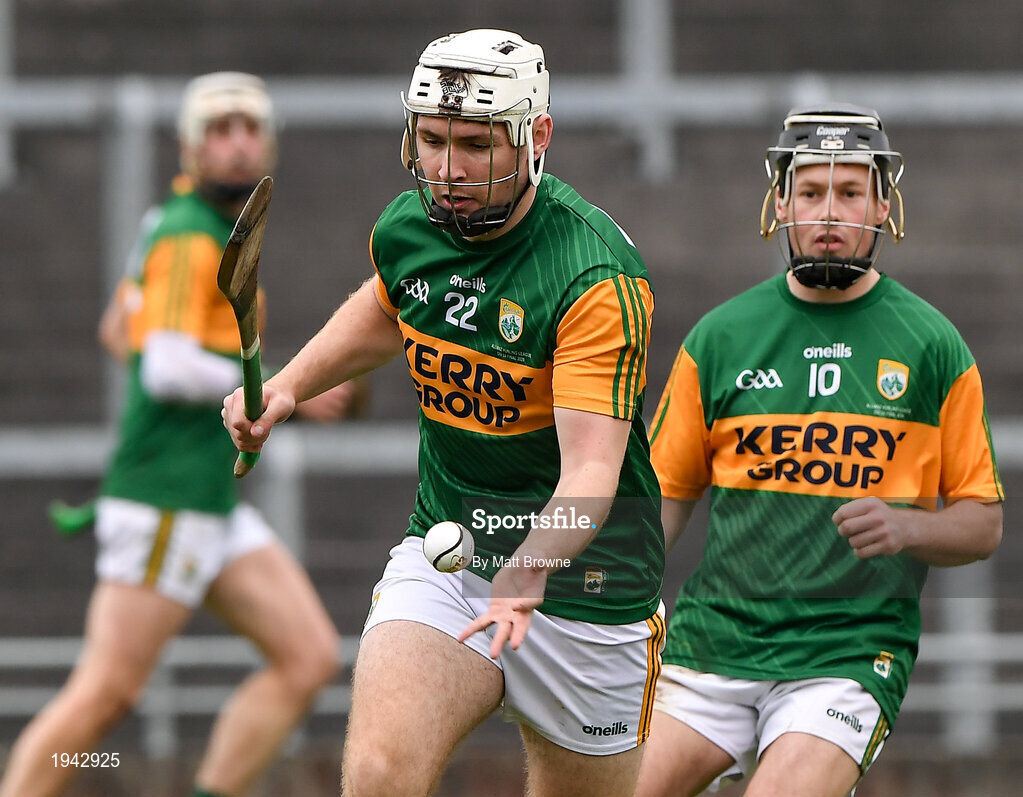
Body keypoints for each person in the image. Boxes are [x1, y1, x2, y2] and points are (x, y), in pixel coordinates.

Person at [223, 29, 665, 797]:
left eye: (475, 144)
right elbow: (389, 307)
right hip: (450, 554)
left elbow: (593, 468)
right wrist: (289, 385)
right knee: (378, 775)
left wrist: (528, 568)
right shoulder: (408, 228)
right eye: (431, 140)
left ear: (538, 137)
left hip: (588, 582)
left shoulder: (594, 275)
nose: (448, 170)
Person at [635, 104, 1004, 797]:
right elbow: (659, 504)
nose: (828, 212)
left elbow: (982, 523)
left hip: (847, 655)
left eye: (847, 191)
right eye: (810, 191)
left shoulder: (932, 346)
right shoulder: (720, 338)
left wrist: (908, 526)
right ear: (779, 204)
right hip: (712, 646)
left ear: (881, 206)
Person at [0, 72, 350, 797]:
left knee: (307, 655)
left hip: (208, 500)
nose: (237, 143)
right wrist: (279, 383)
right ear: (191, 147)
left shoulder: (174, 222)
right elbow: (161, 365)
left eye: (248, 127)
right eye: (218, 130)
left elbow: (115, 330)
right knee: (106, 695)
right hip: (165, 498)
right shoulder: (190, 235)